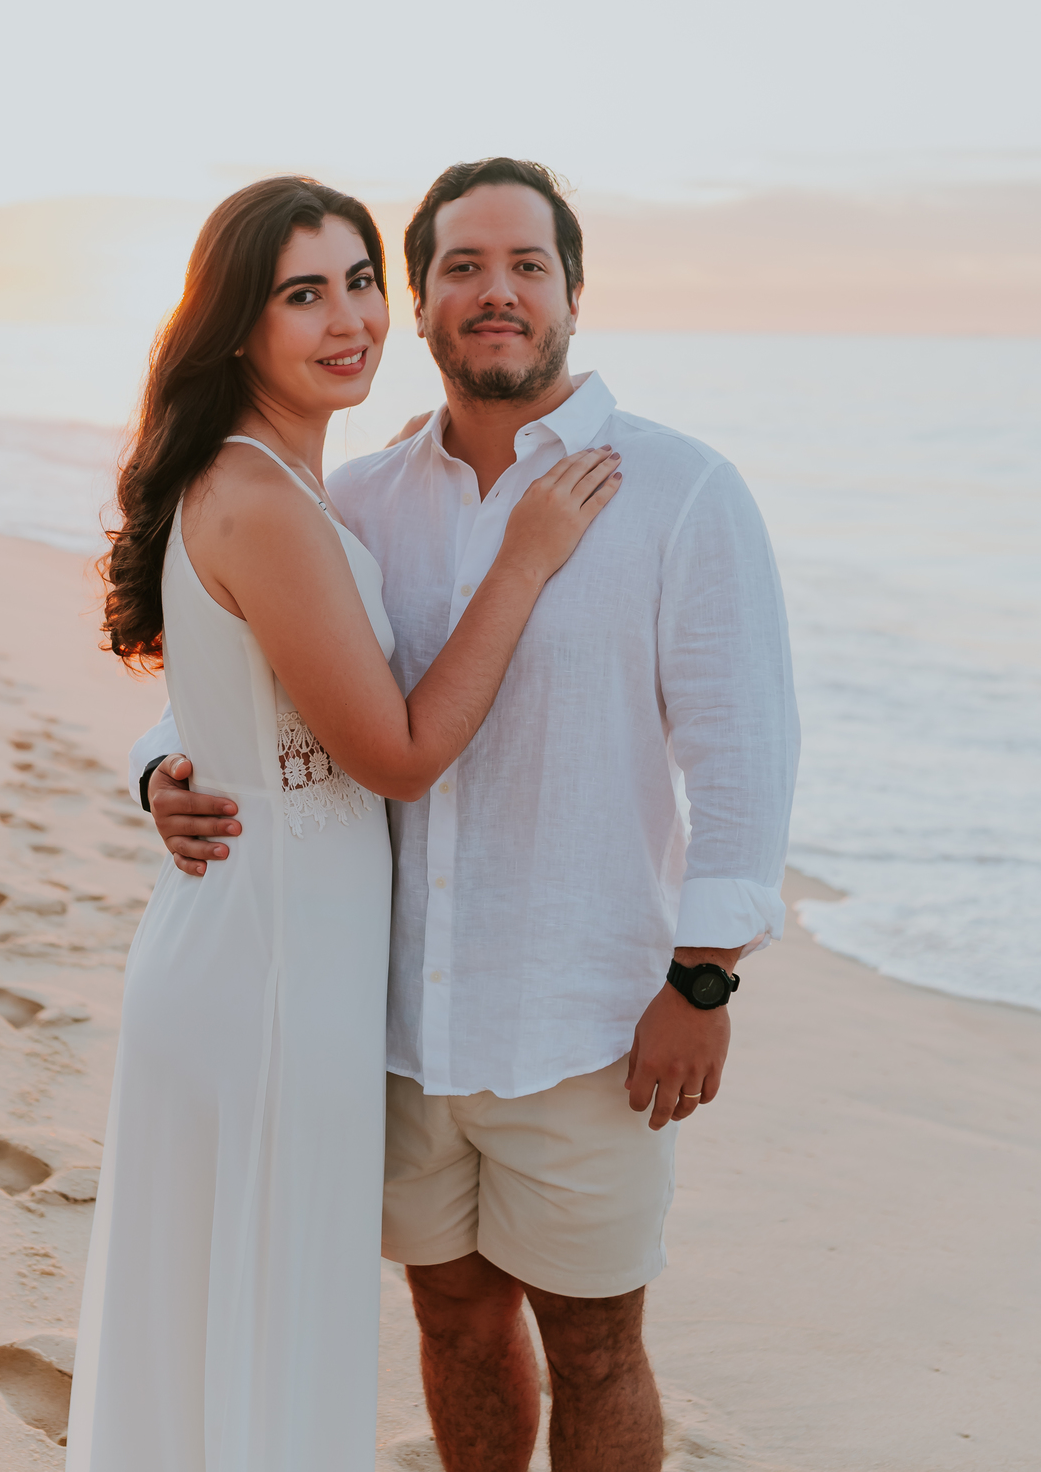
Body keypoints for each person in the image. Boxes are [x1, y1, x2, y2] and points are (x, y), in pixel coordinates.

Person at [135, 158, 800, 1472]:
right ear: (424, 310)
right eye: (460, 268)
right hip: (389, 1022)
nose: (496, 292)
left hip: (584, 1023)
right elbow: (253, 667)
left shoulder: (681, 489)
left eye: (527, 265)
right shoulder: (366, 496)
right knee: (450, 1316)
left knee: (598, 1340)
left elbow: (745, 749)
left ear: (572, 293)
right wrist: (160, 768)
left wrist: (707, 976)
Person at [65, 174, 620, 1472]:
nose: (349, 315)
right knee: (262, 1310)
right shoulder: (261, 498)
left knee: (252, 1310)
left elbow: (212, 702)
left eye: (362, 279)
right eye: (303, 292)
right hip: (266, 973)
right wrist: (525, 556)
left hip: (279, 954)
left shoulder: (300, 490)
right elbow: (402, 753)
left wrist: (159, 772)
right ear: (237, 324)